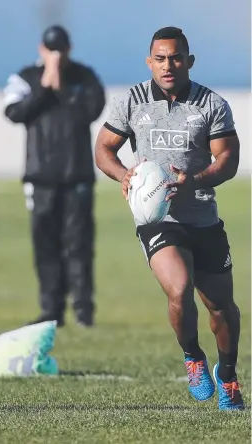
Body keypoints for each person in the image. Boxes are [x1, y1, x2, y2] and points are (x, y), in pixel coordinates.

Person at [94, 26, 244, 410]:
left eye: (176, 57)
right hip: (157, 216)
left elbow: (228, 160)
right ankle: (192, 356)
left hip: (203, 216)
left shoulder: (211, 104)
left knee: (221, 308)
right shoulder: (132, 101)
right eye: (160, 58)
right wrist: (123, 174)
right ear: (149, 62)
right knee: (179, 289)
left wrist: (194, 181)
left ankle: (226, 374)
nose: (168, 65)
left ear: (189, 61)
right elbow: (104, 149)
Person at [3, 25, 106, 327]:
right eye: (51, 49)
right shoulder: (25, 78)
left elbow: (92, 111)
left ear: (70, 49)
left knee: (79, 244)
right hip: (41, 178)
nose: (56, 55)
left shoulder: (85, 77)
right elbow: (13, 112)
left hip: (77, 176)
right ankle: (51, 311)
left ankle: (84, 310)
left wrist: (60, 86)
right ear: (41, 49)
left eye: (61, 49)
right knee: (45, 245)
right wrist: (45, 86)